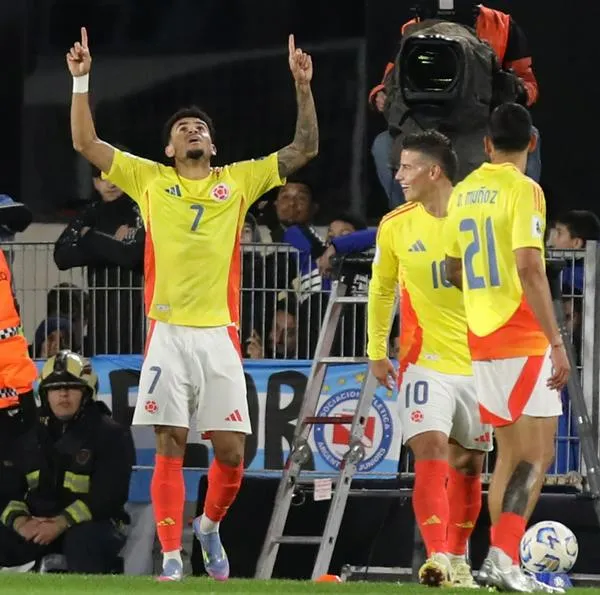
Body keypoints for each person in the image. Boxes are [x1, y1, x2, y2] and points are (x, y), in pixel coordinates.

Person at [66, 28, 318, 581]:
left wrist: (303, 87)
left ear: (213, 145)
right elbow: (86, 142)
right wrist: (81, 80)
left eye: (199, 127)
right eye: (182, 129)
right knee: (169, 442)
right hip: (168, 332)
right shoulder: (149, 179)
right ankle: (173, 557)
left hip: (219, 333)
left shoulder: (239, 181)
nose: (191, 130)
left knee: (231, 453)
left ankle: (208, 526)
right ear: (169, 150)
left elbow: (304, 150)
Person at [443, 103, 569, 592]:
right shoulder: (525, 189)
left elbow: (453, 269)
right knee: (538, 454)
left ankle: (502, 561)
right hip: (521, 332)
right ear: (531, 143)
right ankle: (503, 557)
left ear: (487, 144)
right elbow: (529, 267)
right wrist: (556, 340)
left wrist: (483, 294)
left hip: (481, 337)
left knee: (510, 454)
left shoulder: (463, 191)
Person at [367, 130, 492, 588]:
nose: (398, 175)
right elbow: (382, 288)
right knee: (430, 448)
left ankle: (458, 559)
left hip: (478, 363)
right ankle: (436, 556)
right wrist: (376, 350)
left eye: (407, 167)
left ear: (434, 171)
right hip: (423, 361)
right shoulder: (396, 224)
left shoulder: (477, 217)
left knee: (469, 464)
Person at [370, 1, 541, 208]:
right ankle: (406, 216)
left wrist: (512, 89)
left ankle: (521, 211)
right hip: (421, 123)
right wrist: (379, 95)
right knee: (383, 145)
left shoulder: (502, 25)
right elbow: (391, 80)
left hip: (479, 123)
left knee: (528, 135)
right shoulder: (411, 29)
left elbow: (528, 84)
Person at [0, 350, 134, 574]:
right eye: (55, 388)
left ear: (87, 393)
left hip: (93, 525)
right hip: (36, 523)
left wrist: (61, 523)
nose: (63, 394)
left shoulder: (112, 435)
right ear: (45, 394)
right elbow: (7, 488)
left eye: (72, 387)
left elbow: (108, 497)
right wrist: (21, 522)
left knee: (83, 541)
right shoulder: (27, 435)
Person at [54, 155, 145, 355]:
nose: (111, 184)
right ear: (95, 182)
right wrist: (116, 244)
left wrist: (91, 238)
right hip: (99, 310)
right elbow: (62, 256)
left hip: (136, 310)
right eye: (103, 177)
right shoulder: (89, 213)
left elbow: (136, 256)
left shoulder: (140, 210)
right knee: (101, 353)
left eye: (116, 176)